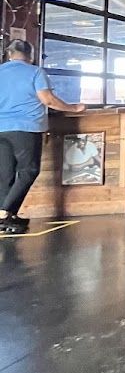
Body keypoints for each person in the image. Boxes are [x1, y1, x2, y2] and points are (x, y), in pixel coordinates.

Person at [0, 39, 84, 234]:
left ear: (9, 54)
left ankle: (9, 216)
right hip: (26, 128)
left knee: (5, 175)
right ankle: (4, 213)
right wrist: (74, 108)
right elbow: (48, 100)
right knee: (29, 170)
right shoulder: (35, 72)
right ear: (30, 55)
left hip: (1, 129)